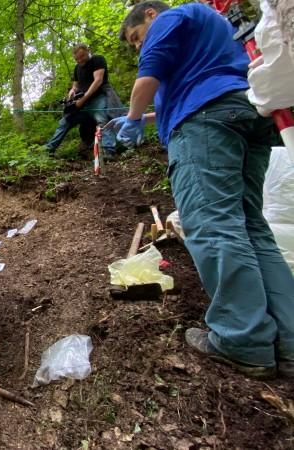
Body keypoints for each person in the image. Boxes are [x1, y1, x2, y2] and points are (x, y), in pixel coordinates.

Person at [113, 0, 294, 379]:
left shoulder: (172, 17)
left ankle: (242, 339)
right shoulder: (209, 24)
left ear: (150, 14)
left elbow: (149, 78)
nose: (137, 46)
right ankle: (288, 342)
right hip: (243, 114)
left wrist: (131, 117)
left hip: (204, 124)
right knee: (252, 229)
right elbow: (199, 81)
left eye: (136, 37)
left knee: (214, 225)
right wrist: (144, 118)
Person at [44, 44, 124, 157]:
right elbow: (75, 85)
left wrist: (84, 98)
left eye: (82, 56)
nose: (80, 60)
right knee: (65, 121)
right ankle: (48, 151)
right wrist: (72, 92)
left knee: (102, 120)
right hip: (81, 102)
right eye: (77, 59)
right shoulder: (77, 67)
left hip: (98, 98)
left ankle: (108, 151)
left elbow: (98, 80)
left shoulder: (98, 59)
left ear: (88, 51)